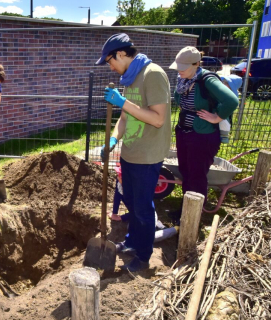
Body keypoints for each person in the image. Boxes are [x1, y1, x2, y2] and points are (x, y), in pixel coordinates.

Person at [96, 33, 171, 272]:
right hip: (130, 152)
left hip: (148, 155)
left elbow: (158, 119)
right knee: (131, 202)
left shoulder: (154, 75)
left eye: (110, 61)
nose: (110, 67)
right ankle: (131, 243)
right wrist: (114, 138)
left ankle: (144, 256)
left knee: (143, 209)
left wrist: (121, 102)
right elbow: (126, 117)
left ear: (120, 54)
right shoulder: (130, 77)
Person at [169, 47, 239, 219]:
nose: (179, 70)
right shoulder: (184, 79)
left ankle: (194, 216)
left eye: (183, 67)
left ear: (196, 64)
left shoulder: (207, 80)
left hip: (202, 137)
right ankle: (186, 209)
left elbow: (231, 101)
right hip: (184, 133)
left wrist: (217, 117)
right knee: (186, 172)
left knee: (197, 176)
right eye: (178, 66)